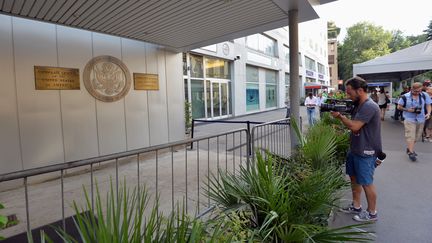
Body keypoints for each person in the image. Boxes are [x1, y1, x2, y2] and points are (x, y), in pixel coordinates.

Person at [331, 76, 382, 222]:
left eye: (349, 92)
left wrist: (340, 117)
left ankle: (372, 213)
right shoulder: (358, 104)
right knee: (354, 179)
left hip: (366, 151)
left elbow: (355, 126)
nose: (348, 95)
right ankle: (356, 205)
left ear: (360, 90)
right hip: (355, 148)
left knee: (366, 182)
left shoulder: (369, 106)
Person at [397, 82, 432, 161]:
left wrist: (428, 113)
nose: (417, 93)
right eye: (415, 91)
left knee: (417, 136)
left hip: (421, 119)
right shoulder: (405, 96)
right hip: (409, 119)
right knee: (411, 136)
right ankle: (411, 152)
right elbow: (399, 107)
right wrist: (408, 110)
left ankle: (409, 148)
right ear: (411, 89)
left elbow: (428, 105)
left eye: (419, 91)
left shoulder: (424, 95)